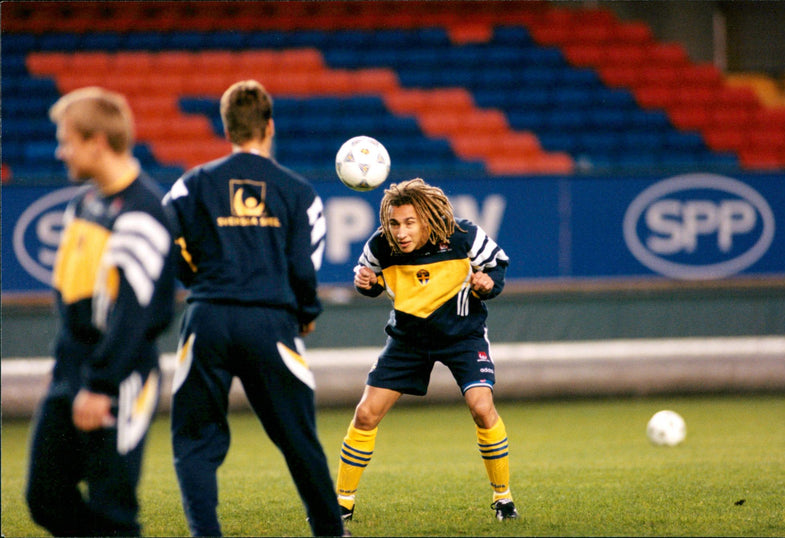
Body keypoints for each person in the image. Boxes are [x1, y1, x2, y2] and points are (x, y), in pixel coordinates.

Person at [162, 80, 344, 537]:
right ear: (269, 126)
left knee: (195, 443)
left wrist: (195, 280)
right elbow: (305, 264)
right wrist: (307, 310)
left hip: (207, 318)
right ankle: (329, 530)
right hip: (271, 321)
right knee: (298, 437)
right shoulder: (298, 191)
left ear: (226, 128)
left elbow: (162, 240)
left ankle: (207, 534)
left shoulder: (194, 184)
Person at [25, 86, 177, 536]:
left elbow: (138, 317)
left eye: (67, 139)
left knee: (113, 507)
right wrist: (66, 370)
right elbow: (72, 299)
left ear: (97, 142)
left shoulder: (143, 214)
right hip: (71, 372)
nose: (61, 150)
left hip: (118, 378)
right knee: (45, 497)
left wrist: (100, 384)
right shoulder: (84, 203)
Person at [335, 178, 519, 523]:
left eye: (409, 223)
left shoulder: (463, 235)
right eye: (393, 223)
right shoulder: (380, 246)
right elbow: (369, 280)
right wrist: (365, 285)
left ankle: (503, 499)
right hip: (408, 341)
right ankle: (341, 504)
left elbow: (497, 265)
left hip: (463, 337)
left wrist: (488, 283)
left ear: (427, 220)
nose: (400, 232)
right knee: (365, 415)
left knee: (482, 408)